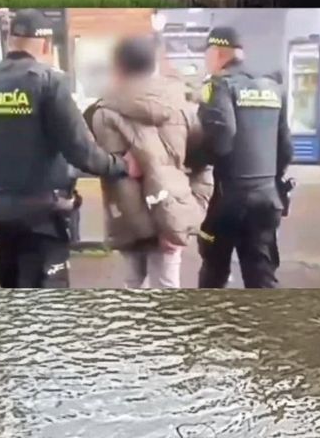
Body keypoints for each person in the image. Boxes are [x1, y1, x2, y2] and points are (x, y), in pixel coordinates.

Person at [0, 9, 136, 288]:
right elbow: (81, 152)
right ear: (46, 45)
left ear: (10, 40)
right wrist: (122, 165)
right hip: (44, 217)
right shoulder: (49, 82)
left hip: (0, 215)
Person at [85, 35, 212, 288]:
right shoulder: (183, 108)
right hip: (171, 216)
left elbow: (88, 160)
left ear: (118, 68)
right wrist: (188, 214)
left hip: (127, 219)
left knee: (133, 285)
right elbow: (204, 163)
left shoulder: (101, 114)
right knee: (167, 286)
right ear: (154, 66)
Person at [196, 26, 293, 288]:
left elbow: (222, 138)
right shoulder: (273, 88)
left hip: (228, 199)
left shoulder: (218, 85)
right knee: (261, 275)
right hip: (266, 198)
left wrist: (195, 160)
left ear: (217, 52)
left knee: (214, 271)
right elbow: (286, 148)